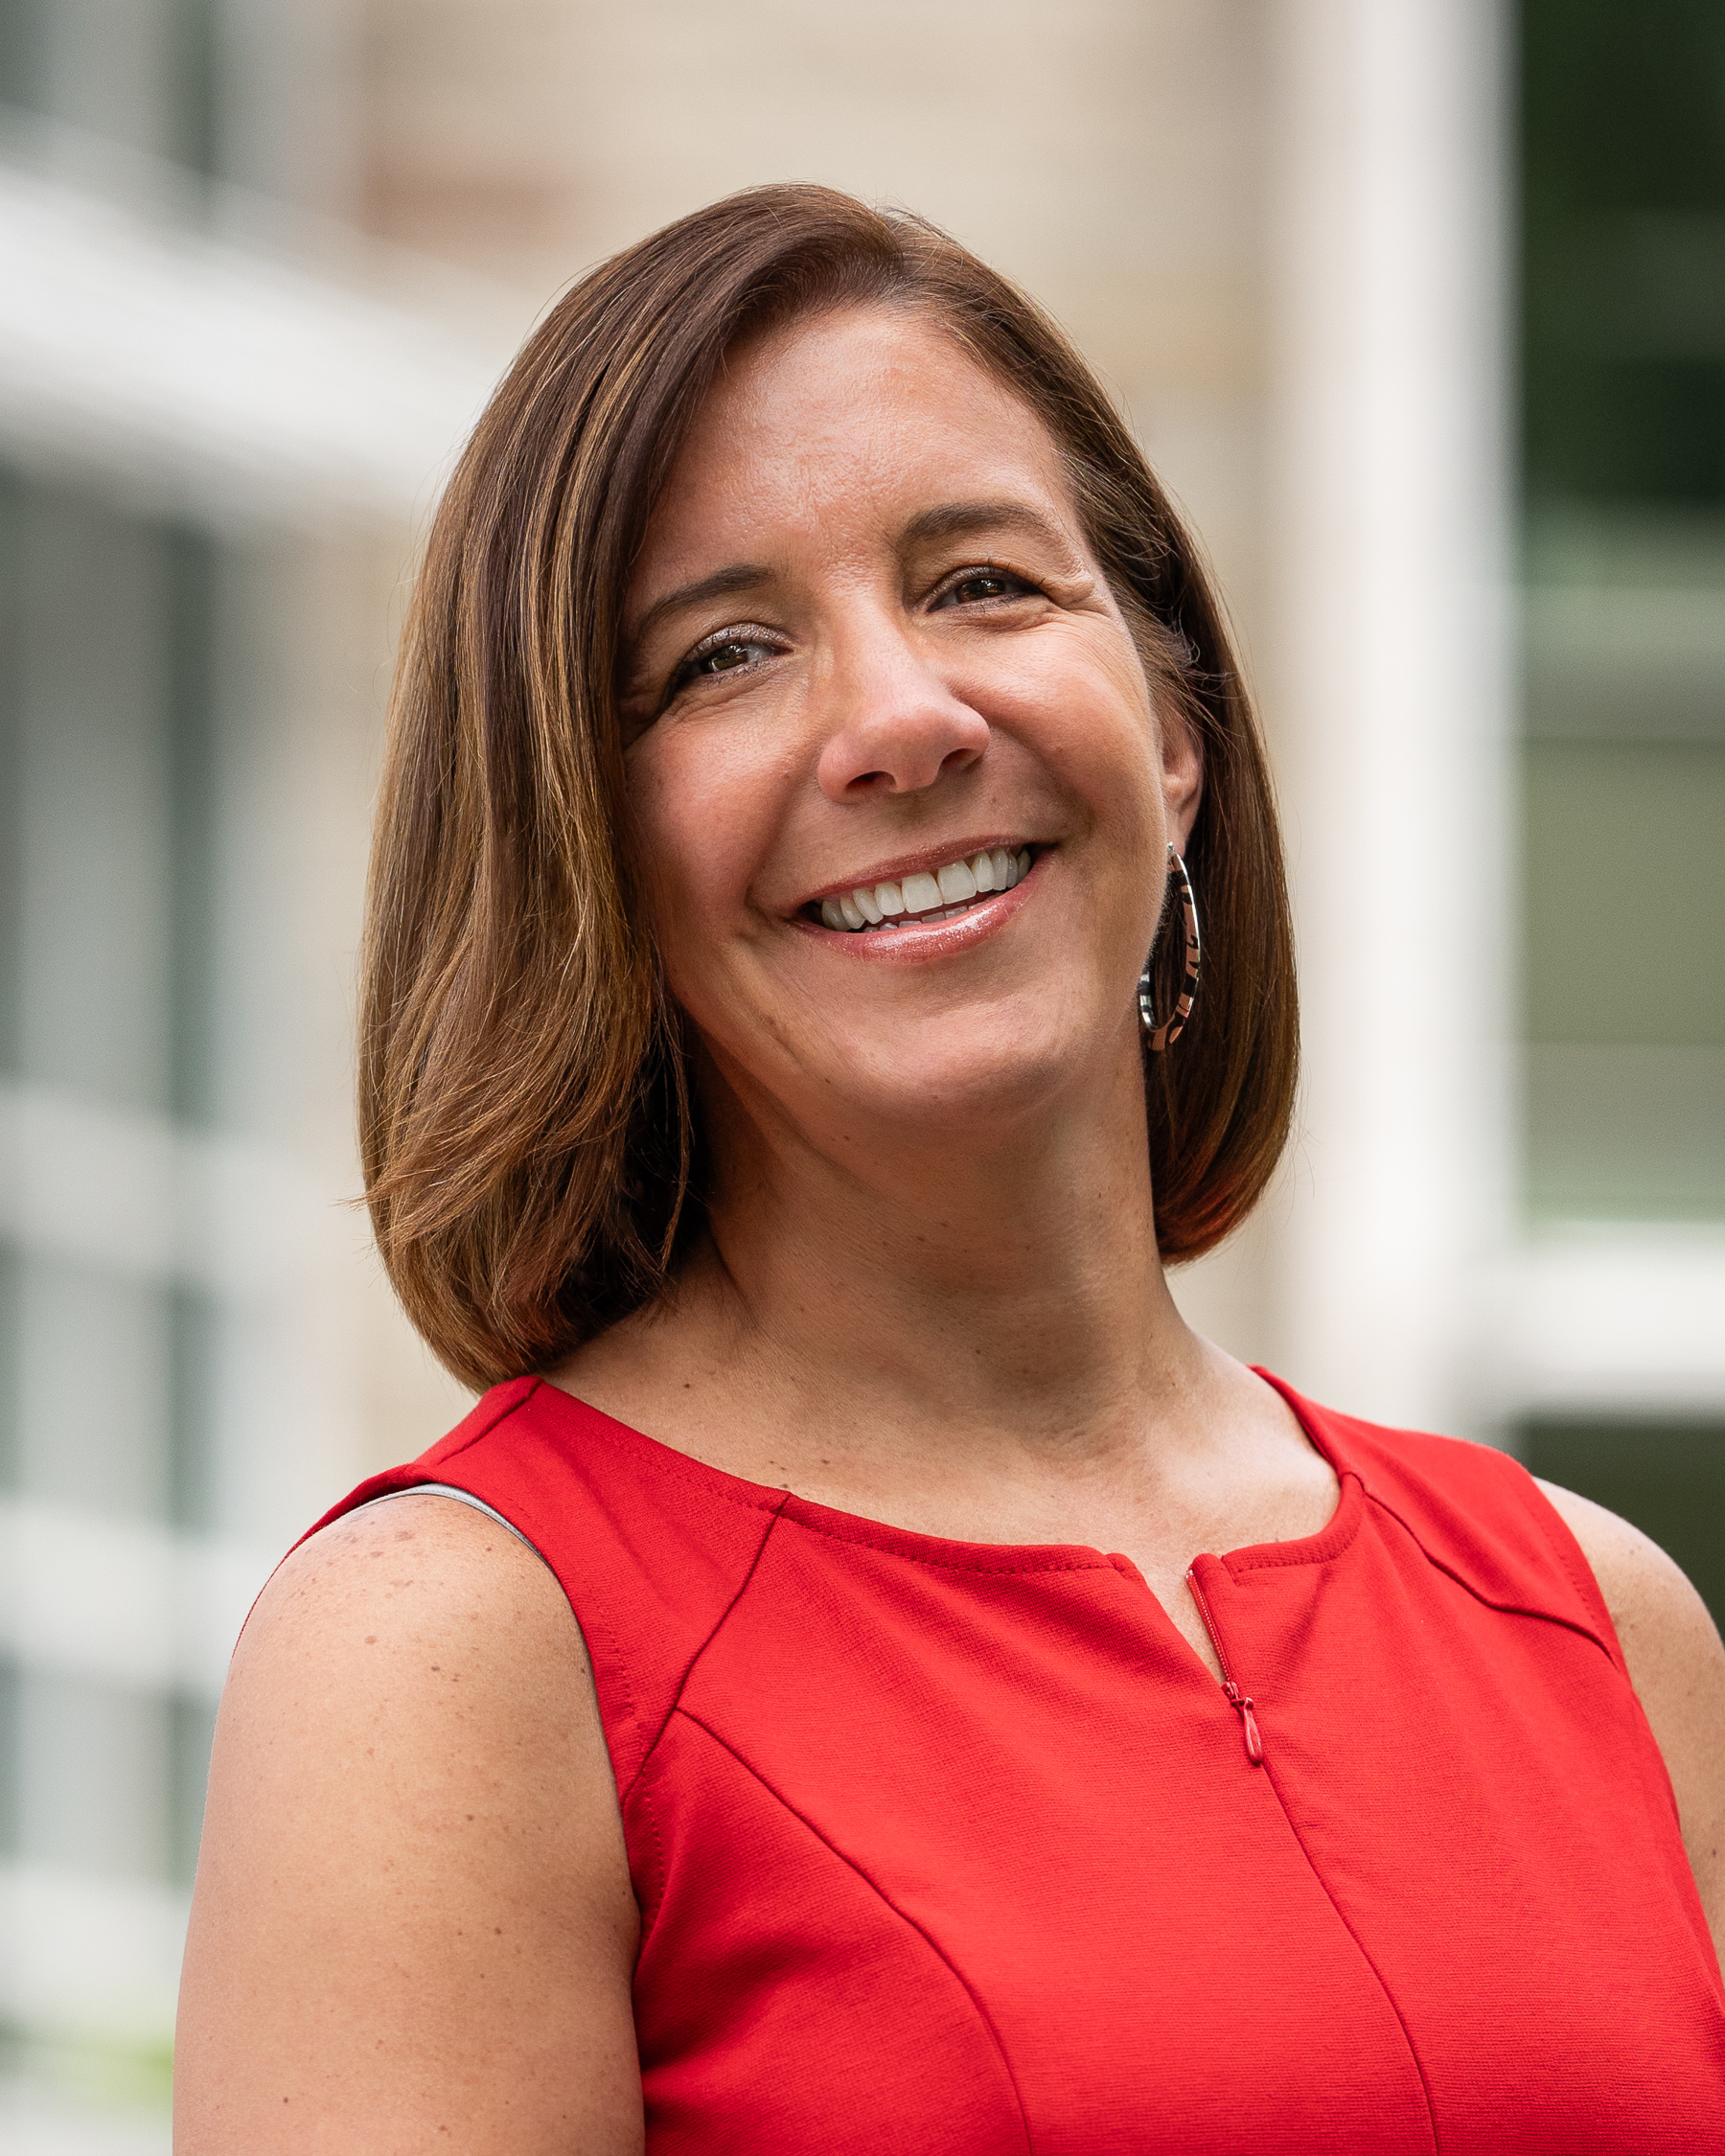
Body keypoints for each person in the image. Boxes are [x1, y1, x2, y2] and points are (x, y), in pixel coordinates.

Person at [173, 186, 1725, 2153]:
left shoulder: (1599, 1627)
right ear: (586, 846)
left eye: (983, 583)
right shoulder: (454, 1659)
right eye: (724, 655)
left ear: (1173, 726)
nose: (901, 722)